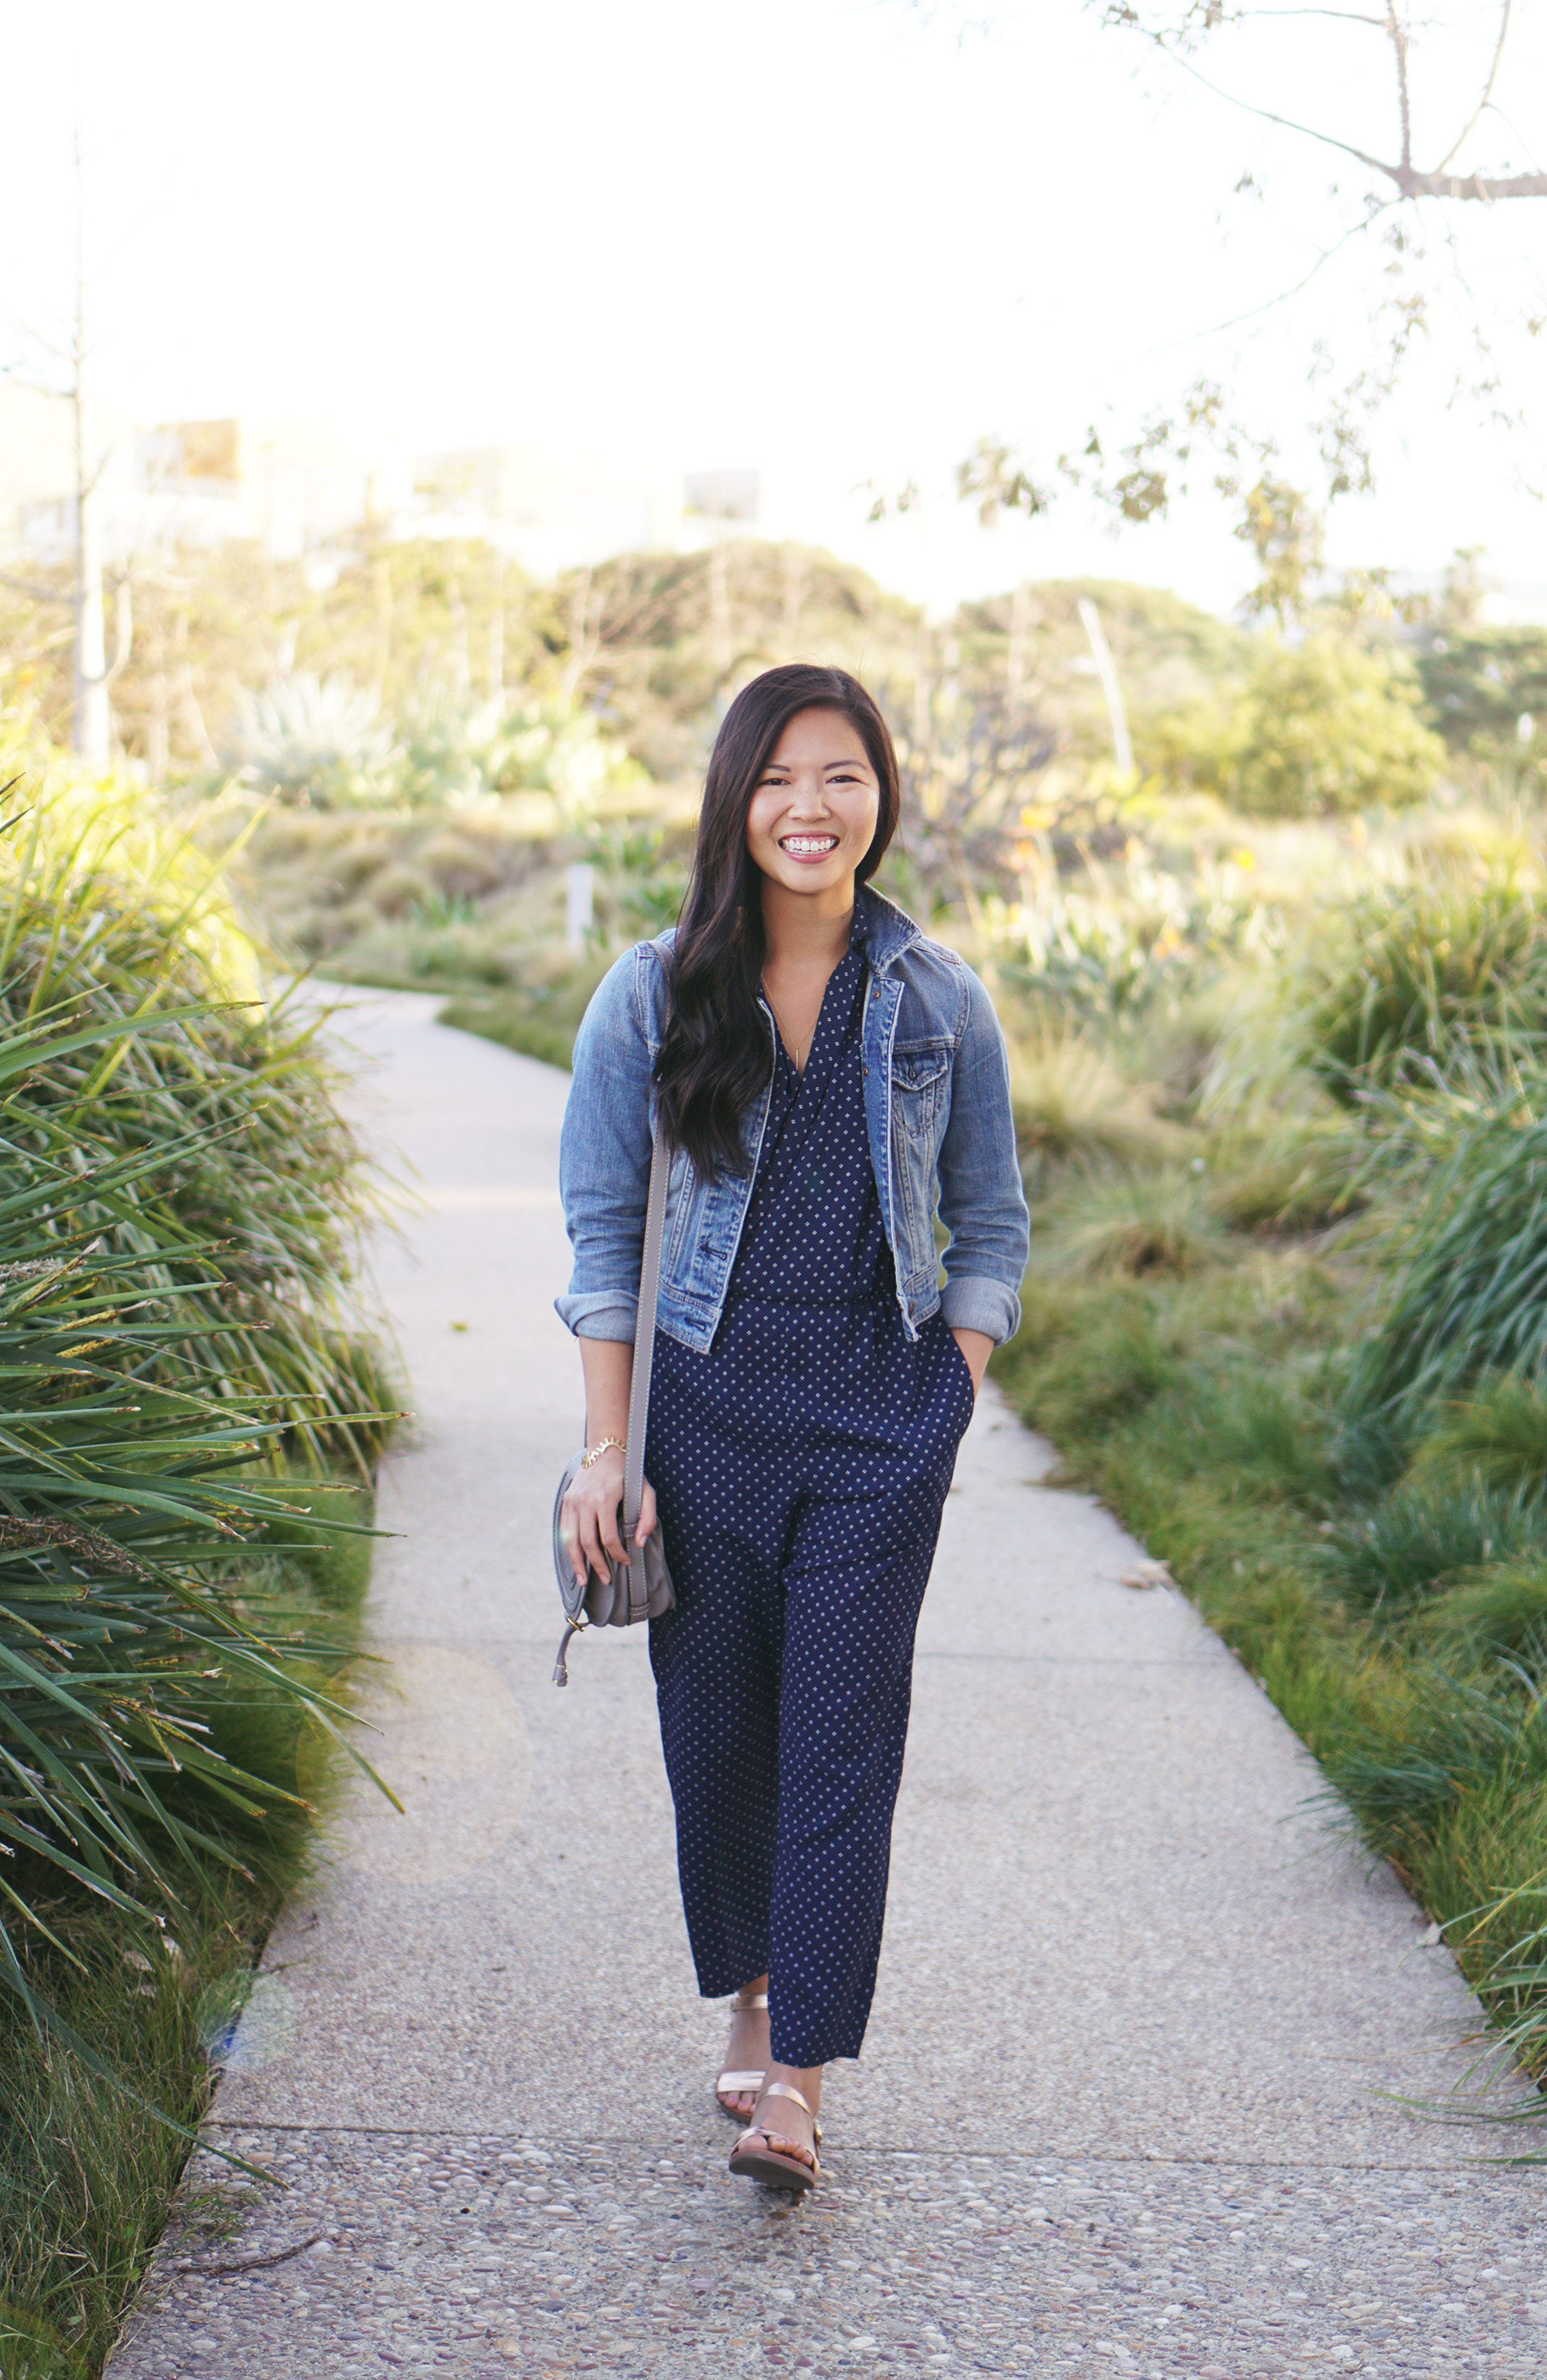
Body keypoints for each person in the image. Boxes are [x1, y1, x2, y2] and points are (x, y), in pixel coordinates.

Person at [556, 662, 1028, 2190]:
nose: (810, 808)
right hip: (700, 1417)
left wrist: (945, 1395)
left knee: (841, 1736)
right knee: (718, 1742)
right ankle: (752, 2000)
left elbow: (993, 1229)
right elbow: (604, 1232)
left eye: (842, 777)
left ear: (881, 797)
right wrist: (606, 1451)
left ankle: (801, 2079)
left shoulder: (939, 997)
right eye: (779, 778)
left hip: (876, 1426)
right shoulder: (654, 988)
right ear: (734, 798)